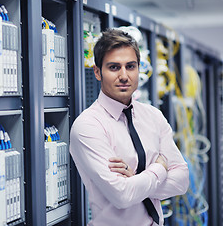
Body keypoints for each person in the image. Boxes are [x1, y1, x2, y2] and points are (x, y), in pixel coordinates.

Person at [69, 28, 189, 226]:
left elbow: (181, 181)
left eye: (130, 66)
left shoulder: (153, 116)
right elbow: (122, 195)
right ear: (97, 72)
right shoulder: (88, 126)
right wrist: (158, 169)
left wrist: (136, 179)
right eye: (114, 67)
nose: (124, 76)